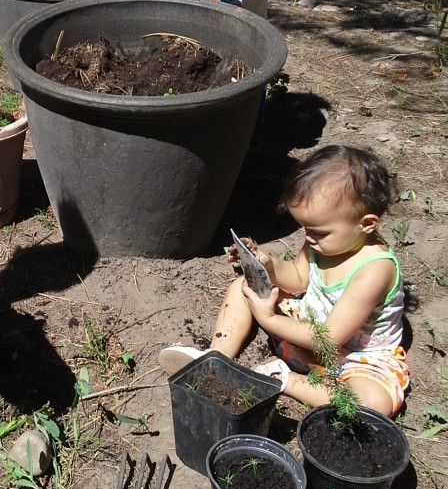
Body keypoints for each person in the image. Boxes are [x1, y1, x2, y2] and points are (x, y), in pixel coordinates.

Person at [159, 146, 409, 417]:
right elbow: (300, 278)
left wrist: (270, 321)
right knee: (243, 287)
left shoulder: (375, 270)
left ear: (367, 224)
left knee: (373, 404)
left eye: (318, 232)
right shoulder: (323, 242)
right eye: (305, 229)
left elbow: (331, 338)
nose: (309, 237)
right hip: (307, 327)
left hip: (353, 354)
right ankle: (215, 358)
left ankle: (283, 378)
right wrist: (267, 266)